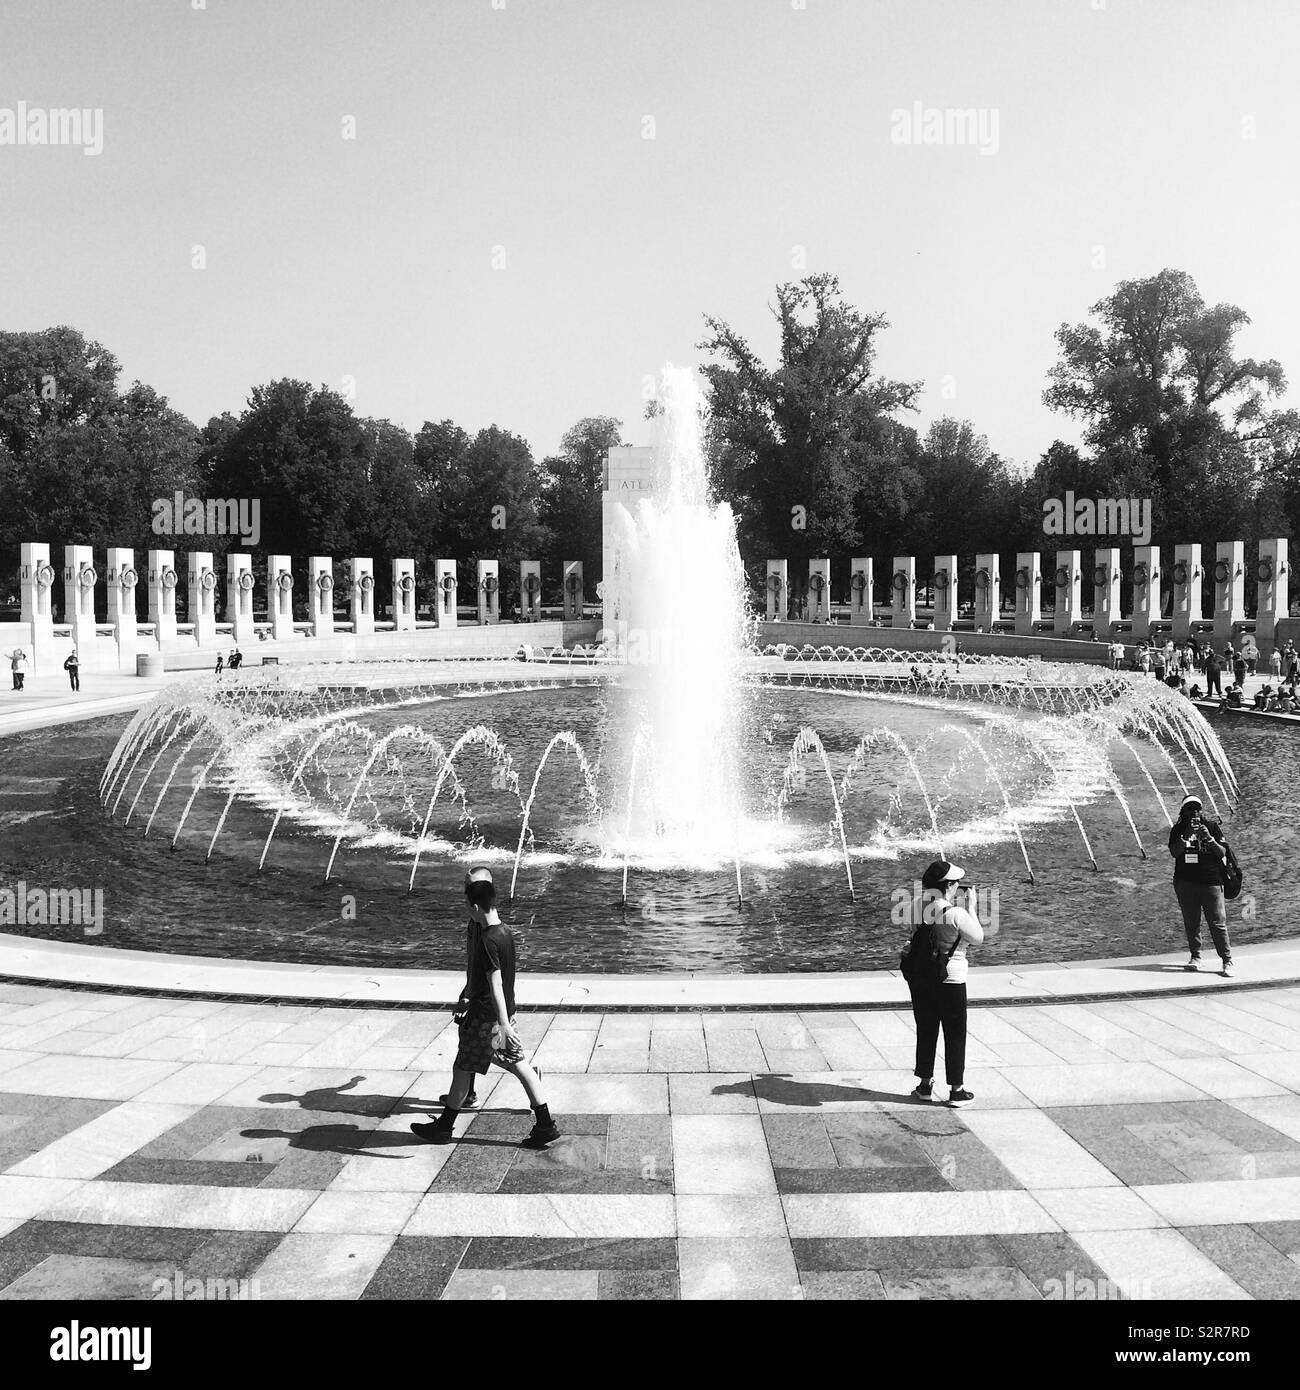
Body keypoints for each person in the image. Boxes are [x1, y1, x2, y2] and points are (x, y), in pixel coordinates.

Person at [411, 867, 559, 1148]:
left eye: (468, 907)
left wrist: (500, 1022)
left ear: (476, 907)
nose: (467, 912)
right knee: (518, 1064)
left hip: (485, 1020)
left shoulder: (488, 940)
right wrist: (505, 1019)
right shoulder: (506, 932)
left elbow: (495, 982)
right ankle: (545, 1124)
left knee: (462, 1066)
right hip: (502, 1015)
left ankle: (444, 1127)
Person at [905, 860, 987, 1108]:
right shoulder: (956, 914)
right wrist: (971, 907)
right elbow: (978, 938)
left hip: (922, 977)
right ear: (949, 886)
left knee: (926, 1029)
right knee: (954, 1033)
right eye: (956, 883)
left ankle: (924, 1085)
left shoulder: (914, 907)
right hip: (951, 979)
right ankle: (956, 1090)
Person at [1168, 793, 1234, 977]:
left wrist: (1209, 839)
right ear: (1184, 811)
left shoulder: (1211, 827)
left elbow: (1223, 853)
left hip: (1211, 881)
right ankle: (1195, 956)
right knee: (1191, 921)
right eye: (1190, 808)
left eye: (1197, 808)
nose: (1195, 812)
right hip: (1185, 881)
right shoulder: (1178, 829)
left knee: (1217, 922)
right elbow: (1174, 852)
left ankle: (1227, 960)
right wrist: (1186, 836)